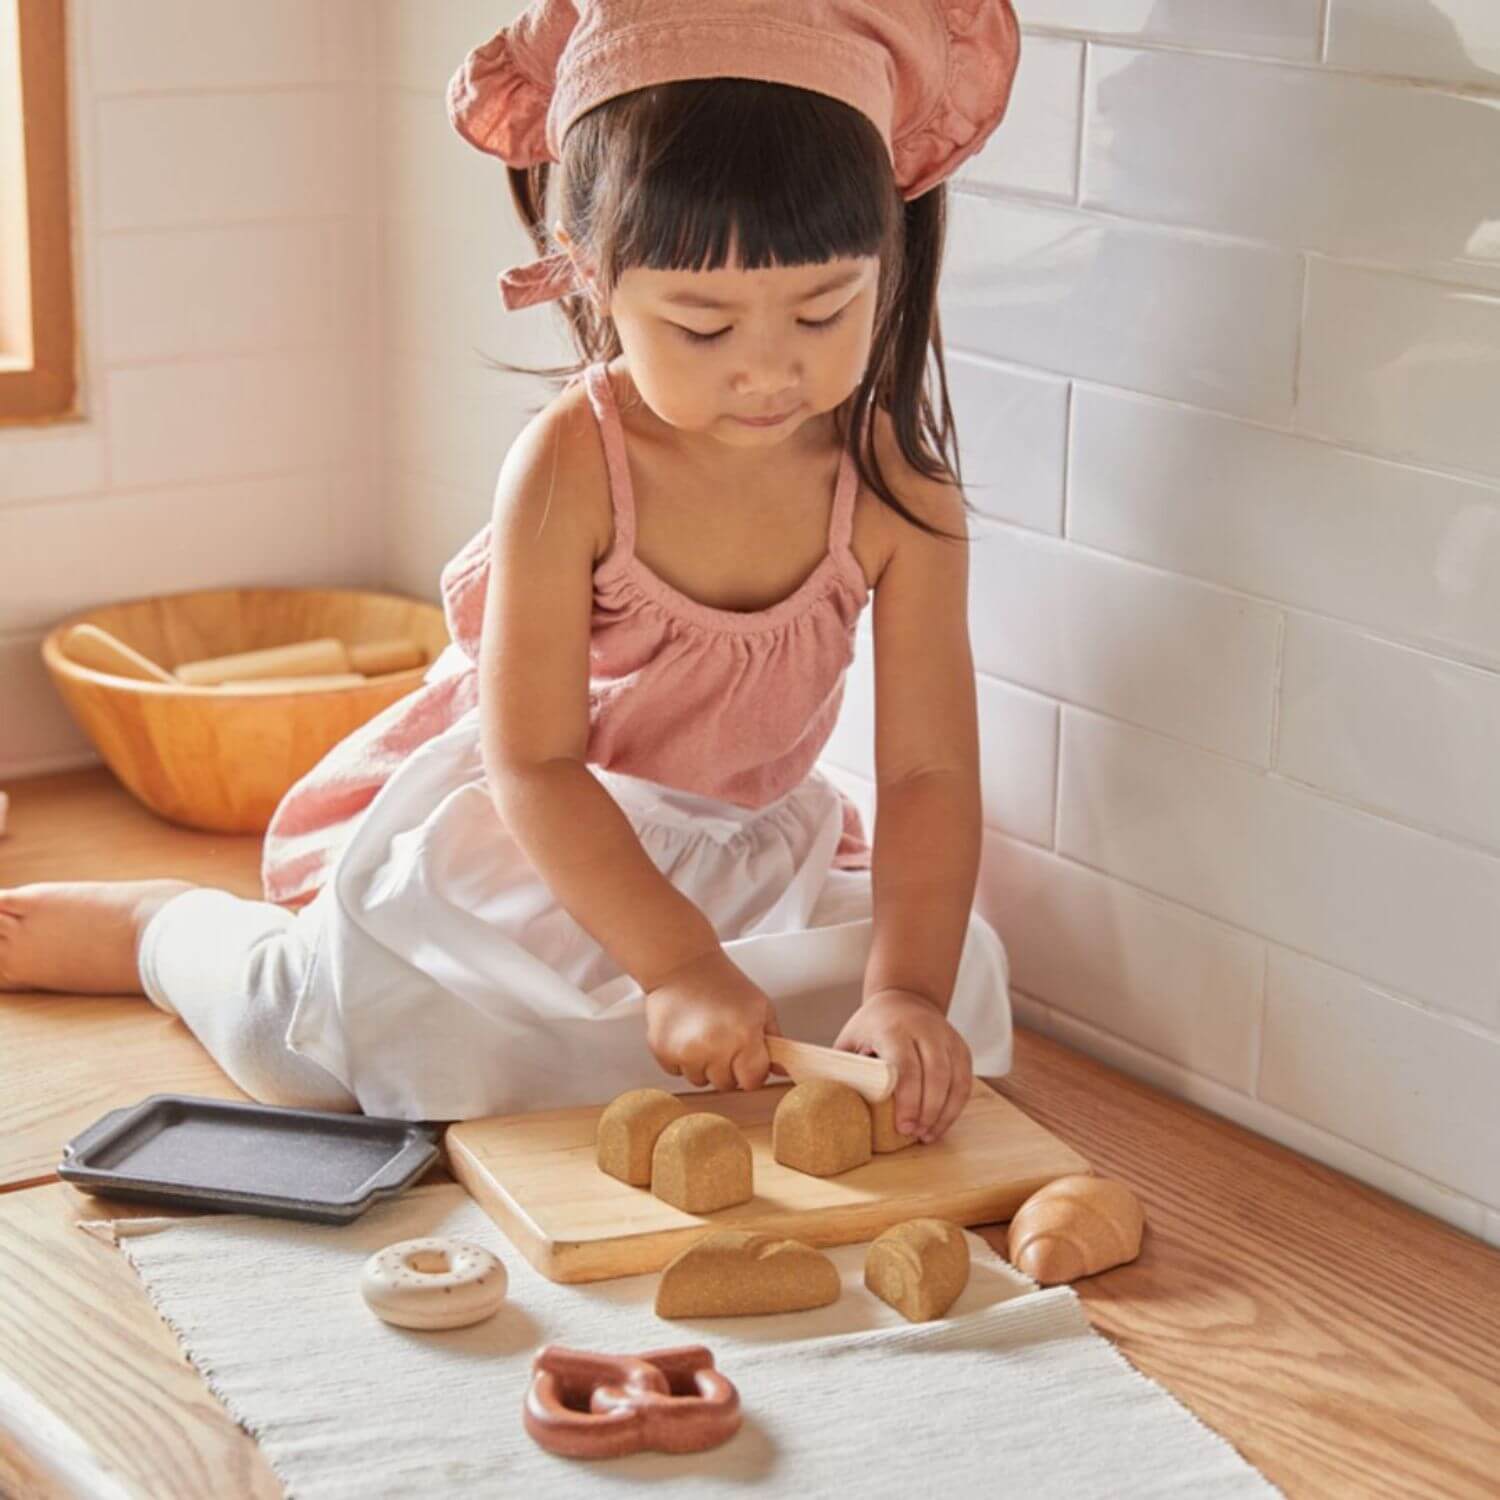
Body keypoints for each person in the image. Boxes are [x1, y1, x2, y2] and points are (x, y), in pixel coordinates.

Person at [0, 0, 1023, 1134]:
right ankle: (165, 932)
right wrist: (676, 967)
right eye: (702, 326)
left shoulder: (896, 491)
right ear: (587, 276)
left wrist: (904, 994)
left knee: (959, 992)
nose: (768, 373)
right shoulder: (573, 465)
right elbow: (534, 765)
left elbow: (928, 775)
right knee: (335, 1051)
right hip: (548, 842)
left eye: (825, 309)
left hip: (747, 855)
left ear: (889, 252)